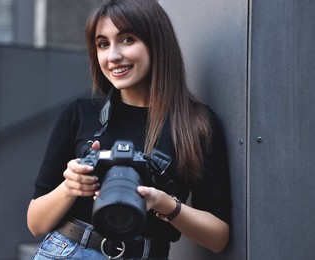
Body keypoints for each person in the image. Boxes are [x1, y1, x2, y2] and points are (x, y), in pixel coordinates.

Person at [27, 0, 231, 259]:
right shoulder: (79, 114)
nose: (113, 56)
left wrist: (163, 203)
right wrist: (70, 186)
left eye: (127, 40)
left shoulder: (197, 125)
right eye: (102, 44)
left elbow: (218, 237)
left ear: (156, 43)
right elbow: (36, 223)